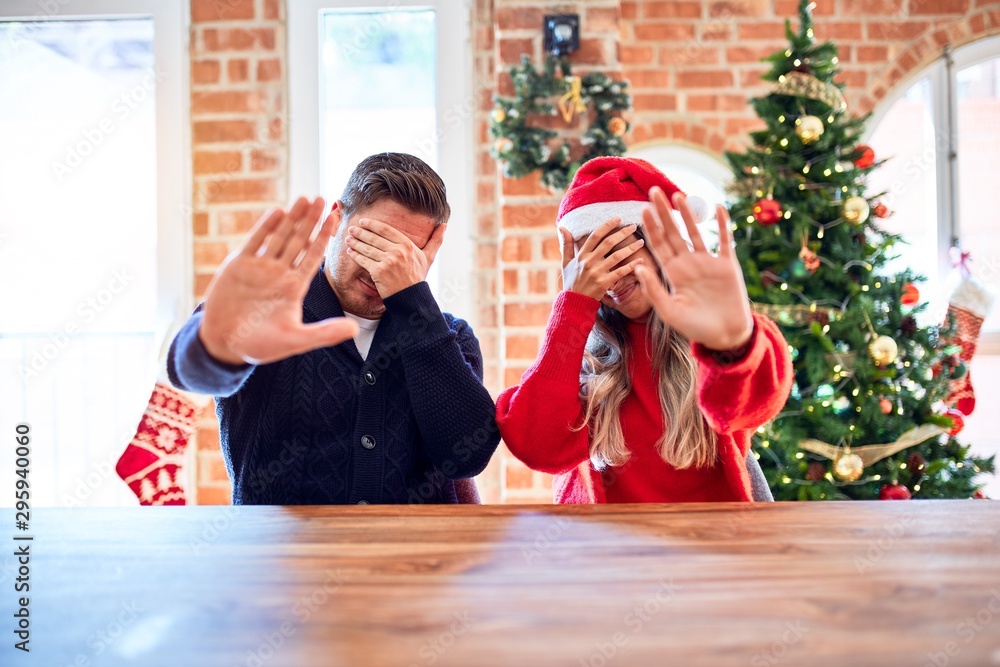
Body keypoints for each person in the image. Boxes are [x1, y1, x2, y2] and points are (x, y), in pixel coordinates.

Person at [168, 153, 500, 505]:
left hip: (415, 558)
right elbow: (189, 373)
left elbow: (467, 457)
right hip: (280, 556)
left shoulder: (447, 337)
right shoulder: (269, 311)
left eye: (405, 254)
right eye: (371, 241)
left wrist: (415, 302)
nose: (380, 267)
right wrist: (220, 345)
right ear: (338, 218)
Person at [496, 157, 792, 503]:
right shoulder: (578, 348)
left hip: (708, 545)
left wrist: (736, 343)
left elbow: (754, 403)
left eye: (618, 256)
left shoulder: (710, 335)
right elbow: (538, 447)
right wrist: (572, 305)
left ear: (657, 248)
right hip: (606, 549)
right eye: (592, 267)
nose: (611, 279)